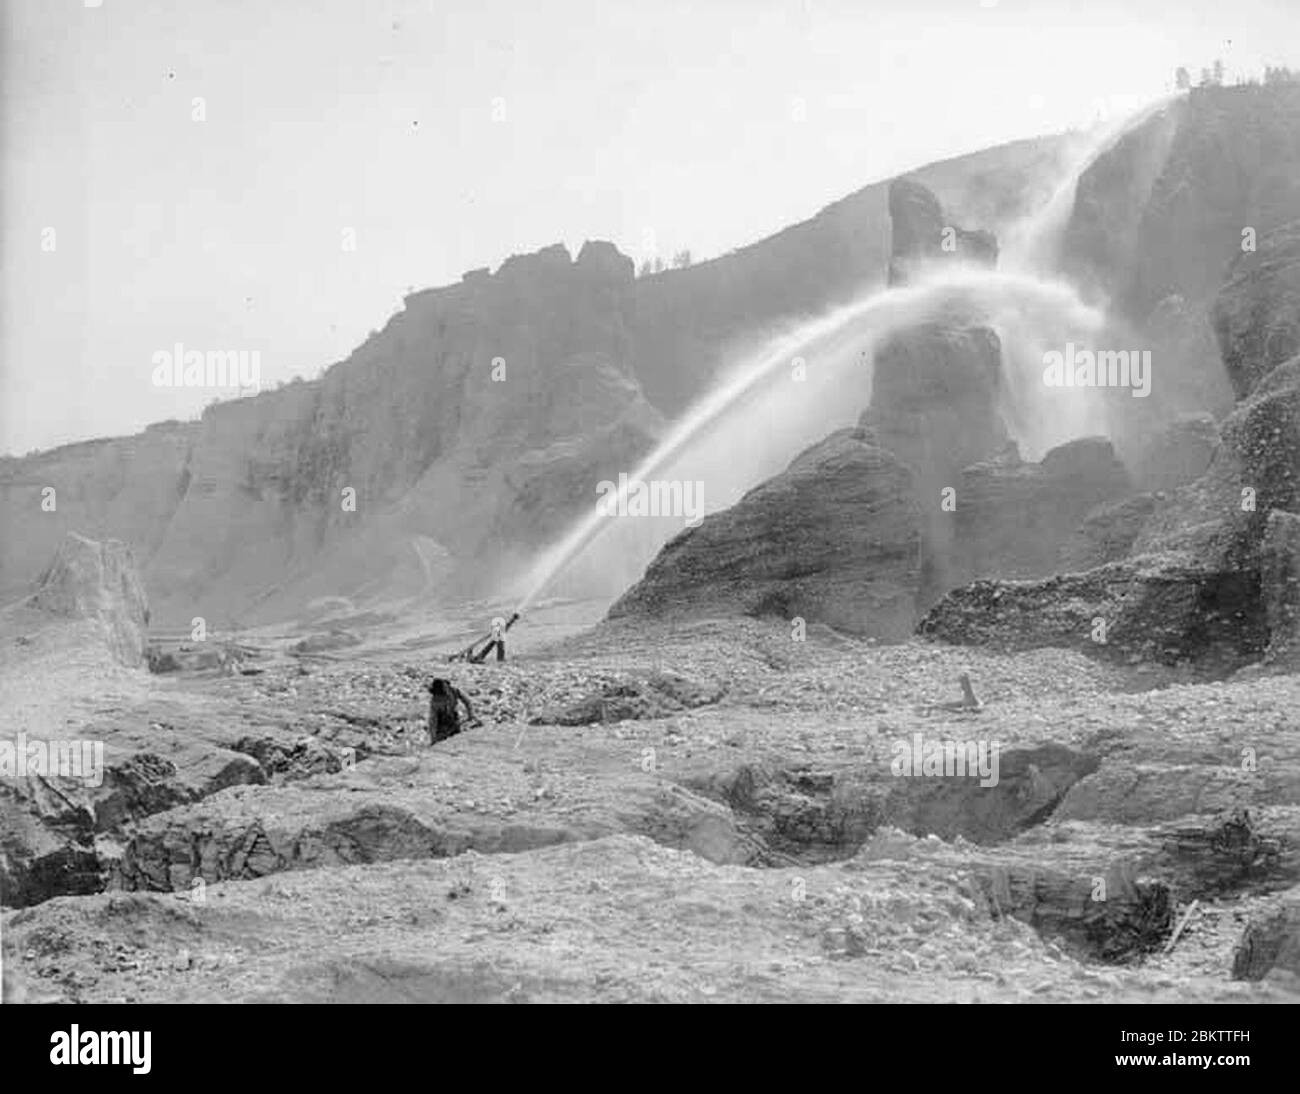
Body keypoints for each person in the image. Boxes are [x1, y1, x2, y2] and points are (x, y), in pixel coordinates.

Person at [426, 677, 475, 744]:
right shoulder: (435, 702)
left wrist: (470, 714)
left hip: (453, 717)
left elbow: (467, 702)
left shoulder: (454, 691)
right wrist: (433, 738)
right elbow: (433, 720)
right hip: (441, 722)